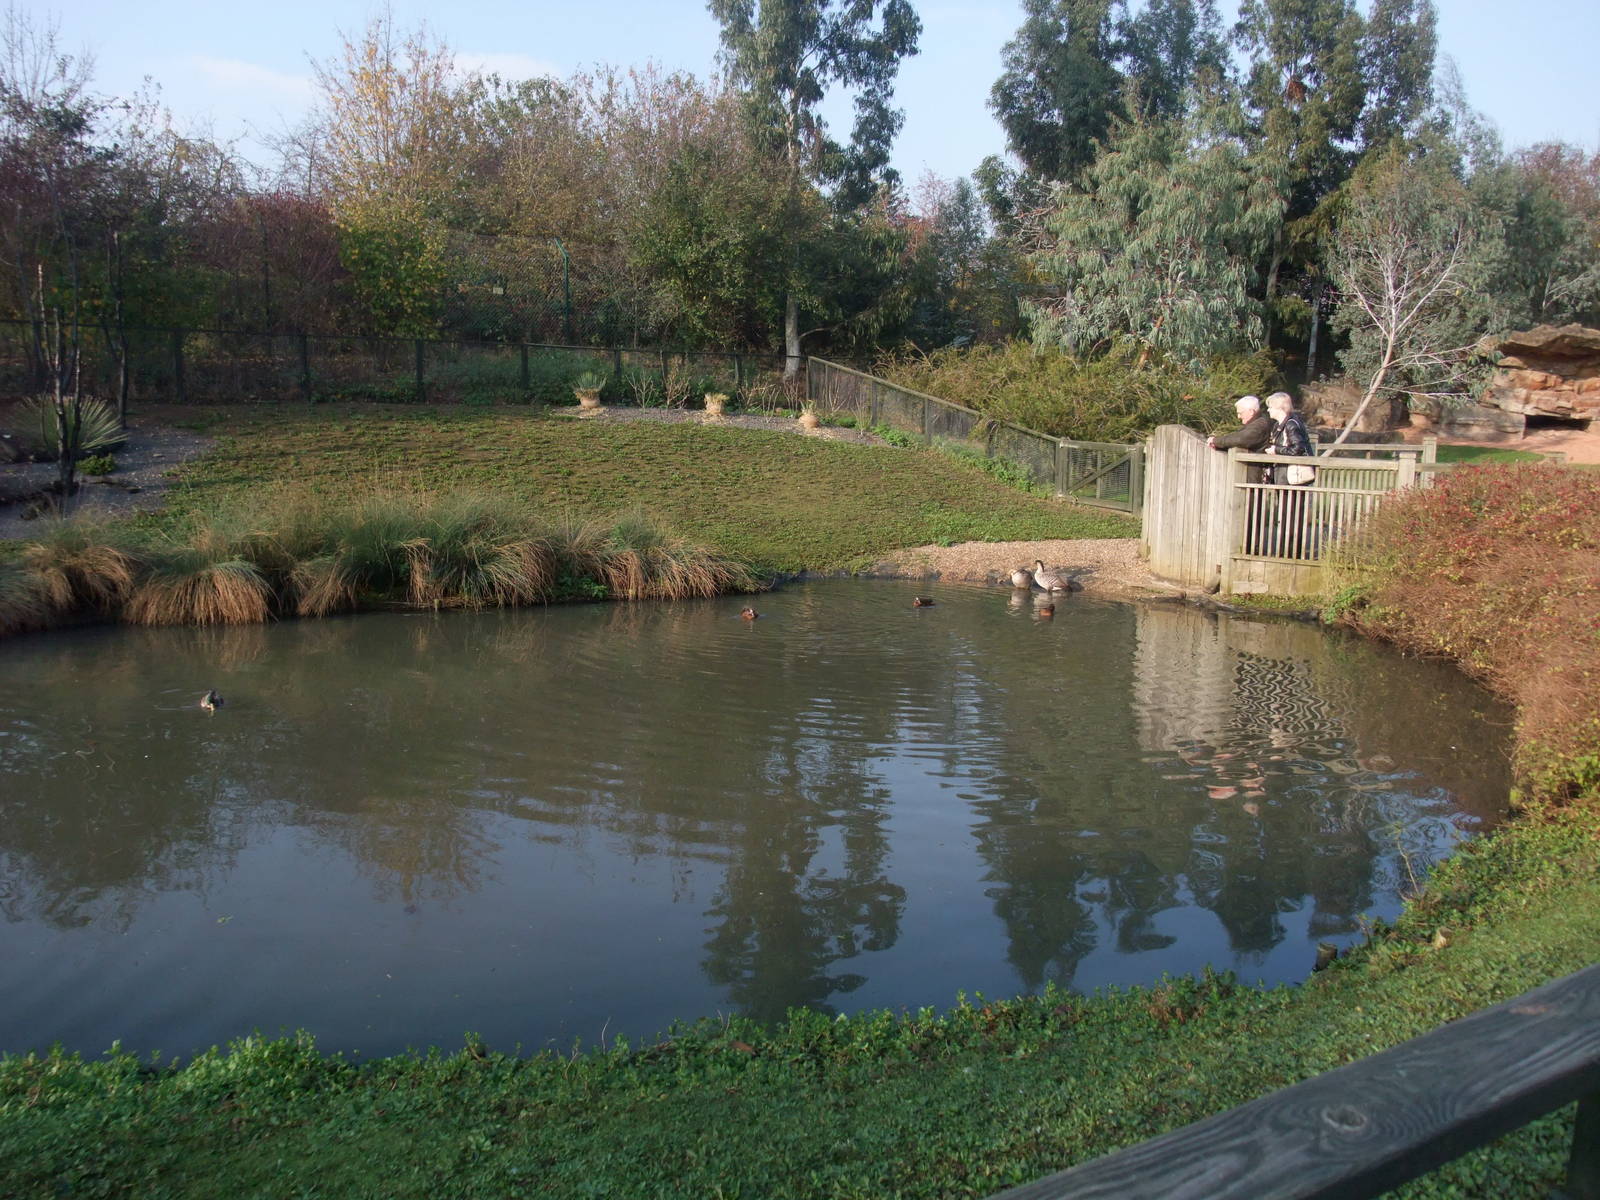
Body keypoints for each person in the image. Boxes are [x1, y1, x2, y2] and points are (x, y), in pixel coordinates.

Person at [1266, 392, 1315, 557]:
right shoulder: (1280, 425)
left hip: (1293, 477)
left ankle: (1290, 550)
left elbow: (1297, 448)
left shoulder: (1291, 424)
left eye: (1270, 407)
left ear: (1279, 408)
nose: (1268, 410)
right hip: (1285, 475)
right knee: (1287, 514)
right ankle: (1287, 549)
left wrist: (1276, 450)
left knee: (1291, 514)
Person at [1207, 396, 1273, 483]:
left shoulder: (1259, 426)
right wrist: (1219, 446)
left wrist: (1216, 441)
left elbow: (1240, 439)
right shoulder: (1255, 424)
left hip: (1252, 476)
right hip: (1247, 473)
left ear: (1251, 412)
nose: (1238, 416)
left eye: (1240, 413)